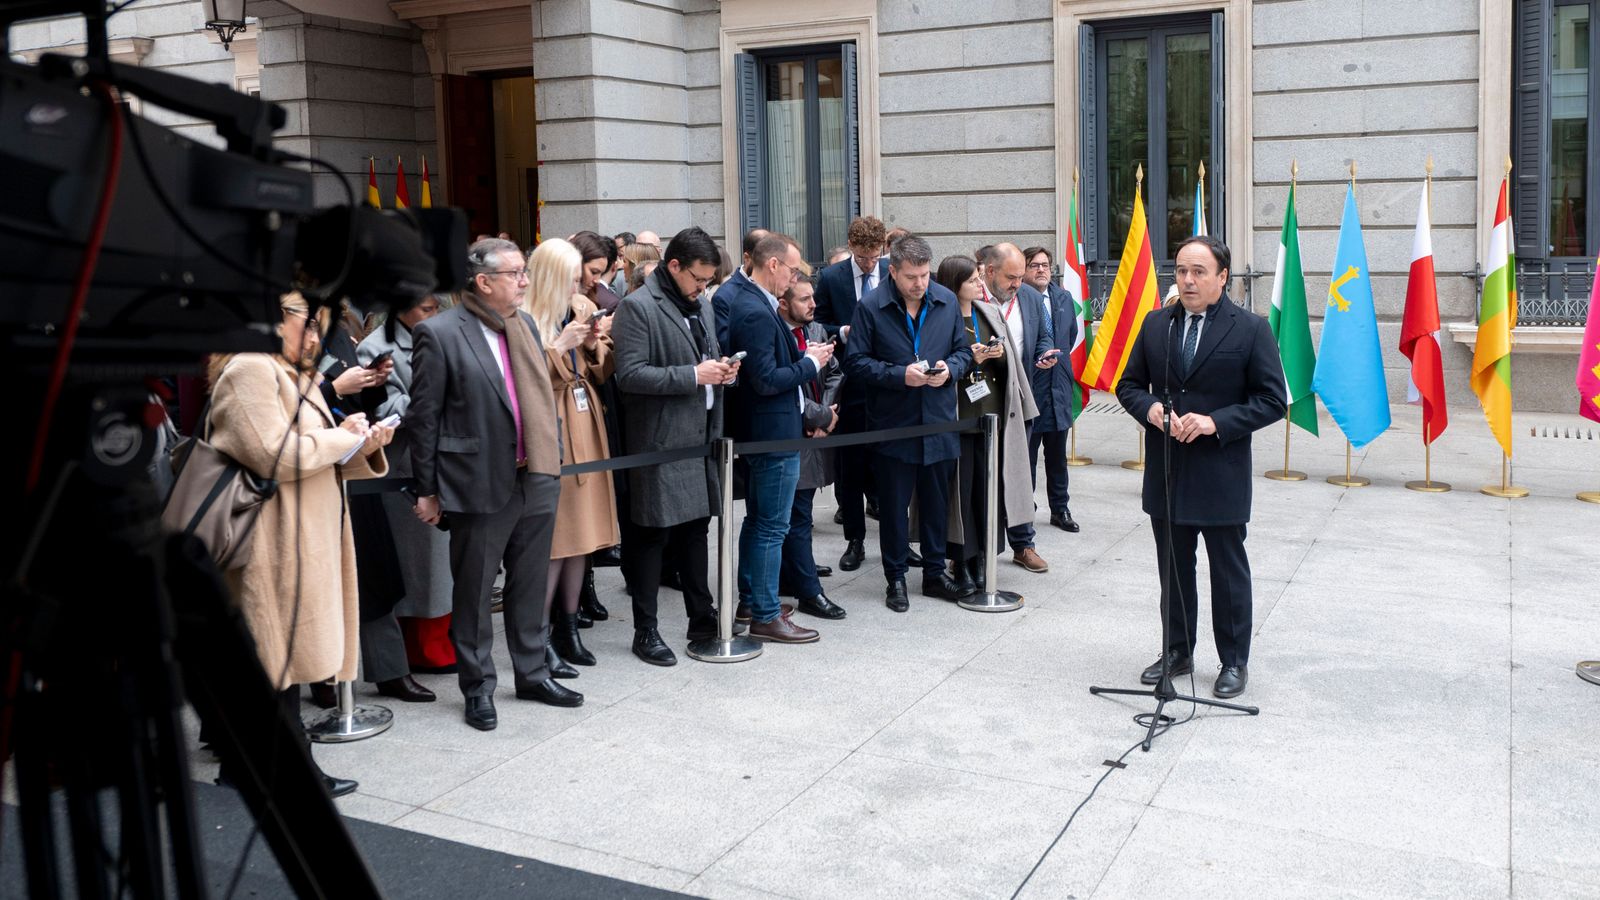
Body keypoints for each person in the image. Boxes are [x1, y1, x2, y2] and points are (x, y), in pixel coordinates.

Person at [207, 292, 394, 797]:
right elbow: (270, 454)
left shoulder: (289, 370)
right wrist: (340, 439)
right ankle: (280, 770)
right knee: (275, 655)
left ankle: (262, 767)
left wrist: (361, 441)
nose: (315, 337)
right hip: (272, 536)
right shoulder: (249, 368)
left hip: (306, 531)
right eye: (308, 324)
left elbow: (314, 450)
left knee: (285, 657)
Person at [409, 237, 581, 733]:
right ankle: (478, 687)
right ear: (483, 282)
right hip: (478, 481)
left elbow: (541, 395)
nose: (525, 281)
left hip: (537, 473)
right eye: (515, 274)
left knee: (529, 587)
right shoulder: (440, 333)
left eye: (525, 272)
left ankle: (531, 673)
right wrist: (427, 489)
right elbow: (425, 419)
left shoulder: (523, 323)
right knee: (475, 591)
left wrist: (557, 451)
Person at [1115, 235, 1286, 700]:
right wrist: (1151, 410)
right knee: (1173, 567)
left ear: (1223, 278)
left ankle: (1234, 660)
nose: (1187, 281)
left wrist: (1216, 422)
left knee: (1227, 571)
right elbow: (1127, 385)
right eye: (1181, 272)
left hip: (1221, 472)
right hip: (1167, 471)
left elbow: (1273, 401)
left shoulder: (1250, 330)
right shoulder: (1156, 325)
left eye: (1198, 272)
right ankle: (1177, 650)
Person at [612, 226, 739, 666]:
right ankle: (645, 630)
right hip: (659, 441)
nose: (703, 288)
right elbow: (629, 376)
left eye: (707, 281)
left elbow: (707, 354)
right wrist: (692, 376)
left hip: (701, 436)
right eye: (697, 279)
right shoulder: (637, 307)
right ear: (673, 266)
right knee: (651, 535)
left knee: (695, 531)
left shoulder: (700, 304)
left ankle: (701, 618)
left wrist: (722, 371)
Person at [843, 234, 973, 612]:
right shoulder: (870, 307)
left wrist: (950, 369)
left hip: (937, 419)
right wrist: (900, 375)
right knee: (894, 506)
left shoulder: (946, 301)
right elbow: (855, 363)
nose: (920, 283)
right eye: (912, 277)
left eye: (925, 275)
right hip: (893, 423)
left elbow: (963, 352)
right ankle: (895, 578)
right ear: (893, 271)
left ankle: (934, 574)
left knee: (935, 504)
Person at [725, 234, 834, 643]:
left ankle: (755, 602)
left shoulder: (756, 304)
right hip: (771, 433)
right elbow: (766, 380)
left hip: (769, 432)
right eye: (791, 269)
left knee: (760, 523)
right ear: (772, 265)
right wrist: (809, 362)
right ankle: (767, 614)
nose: (793, 278)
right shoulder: (754, 309)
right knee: (772, 527)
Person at [525, 238, 618, 673]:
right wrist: (560, 345)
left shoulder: (580, 307)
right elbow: (520, 380)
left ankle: (568, 627)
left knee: (582, 533)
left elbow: (602, 370)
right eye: (570, 277)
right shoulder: (523, 317)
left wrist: (597, 340)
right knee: (557, 538)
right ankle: (539, 637)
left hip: (585, 419)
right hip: (551, 428)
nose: (579, 285)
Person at [356, 295, 453, 698]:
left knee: (441, 562)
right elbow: (383, 410)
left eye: (436, 307)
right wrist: (437, 398)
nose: (433, 314)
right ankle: (419, 650)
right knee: (416, 562)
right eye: (425, 308)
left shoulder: (443, 336)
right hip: (403, 465)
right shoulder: (374, 348)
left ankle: (439, 644)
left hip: (445, 458)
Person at [935, 256, 1039, 593]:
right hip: (959, 418)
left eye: (980, 278)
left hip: (992, 417)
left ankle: (984, 558)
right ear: (954, 284)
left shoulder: (987, 312)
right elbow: (940, 365)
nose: (980, 284)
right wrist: (971, 359)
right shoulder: (942, 316)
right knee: (960, 496)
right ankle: (961, 560)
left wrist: (998, 353)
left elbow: (1012, 357)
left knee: (990, 491)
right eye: (972, 280)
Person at [813, 216, 889, 573]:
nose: (869, 263)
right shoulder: (830, 278)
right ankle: (855, 540)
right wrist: (842, 331)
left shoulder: (893, 271)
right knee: (852, 466)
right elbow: (818, 324)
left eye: (874, 257)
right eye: (862, 257)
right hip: (850, 381)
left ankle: (897, 539)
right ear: (852, 248)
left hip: (889, 381)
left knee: (890, 465)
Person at [776, 277, 846, 619]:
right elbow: (785, 386)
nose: (813, 304)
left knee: (798, 513)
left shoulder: (816, 331)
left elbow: (834, 374)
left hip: (816, 431)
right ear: (784, 303)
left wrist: (825, 415)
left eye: (813, 297)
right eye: (804, 299)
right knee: (797, 517)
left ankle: (792, 574)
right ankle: (808, 591)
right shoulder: (778, 334)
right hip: (792, 434)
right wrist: (817, 418)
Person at [981, 244, 1052, 574]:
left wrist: (1044, 354)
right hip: (981, 402)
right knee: (982, 477)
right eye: (1011, 277)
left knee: (1021, 475)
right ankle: (976, 549)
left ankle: (1023, 544)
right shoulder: (974, 298)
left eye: (1021, 277)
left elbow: (1042, 337)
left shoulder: (1032, 298)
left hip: (1019, 400)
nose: (1017, 284)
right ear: (990, 272)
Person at [1021, 247, 1082, 533]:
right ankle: (1023, 507)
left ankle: (1060, 509)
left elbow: (1068, 338)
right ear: (1023, 269)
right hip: (1031, 387)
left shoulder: (1063, 298)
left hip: (1058, 387)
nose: (1041, 270)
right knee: (1027, 455)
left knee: (1058, 456)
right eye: (1034, 265)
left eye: (1045, 265)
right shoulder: (1019, 299)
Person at [713, 228, 770, 346]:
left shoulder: (775, 288)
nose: (770, 266)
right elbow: (727, 344)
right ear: (747, 258)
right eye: (764, 260)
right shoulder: (723, 296)